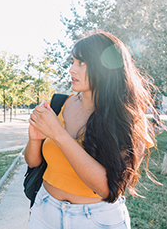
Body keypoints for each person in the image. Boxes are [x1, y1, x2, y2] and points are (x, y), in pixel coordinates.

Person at [25, 30, 154, 229]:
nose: (71, 69)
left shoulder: (129, 119)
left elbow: (107, 189)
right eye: (72, 61)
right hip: (44, 210)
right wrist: (35, 139)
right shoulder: (58, 104)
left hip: (97, 220)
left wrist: (58, 133)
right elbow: (33, 162)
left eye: (81, 63)